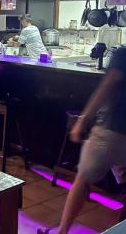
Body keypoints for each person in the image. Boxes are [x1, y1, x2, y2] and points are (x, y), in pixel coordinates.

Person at [39, 47, 126, 234]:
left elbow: (105, 87)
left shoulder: (123, 54)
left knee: (81, 180)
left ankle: (62, 231)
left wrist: (83, 120)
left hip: (110, 130)